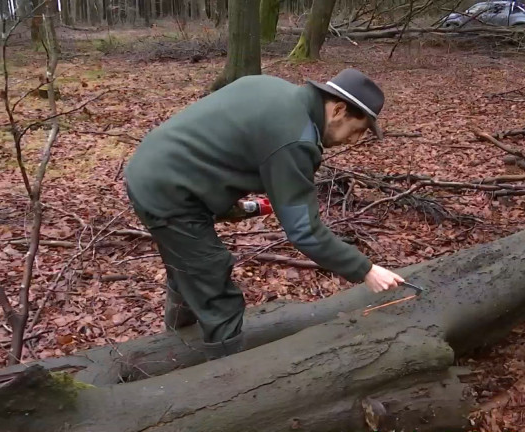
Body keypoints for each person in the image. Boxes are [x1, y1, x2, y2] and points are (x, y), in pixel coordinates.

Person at [123, 68, 405, 360]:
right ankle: (228, 379)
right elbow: (305, 232)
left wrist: (235, 207)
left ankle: (175, 351)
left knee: (188, 269)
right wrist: (366, 270)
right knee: (214, 286)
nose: (354, 141)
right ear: (339, 109)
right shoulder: (296, 139)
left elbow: (219, 147)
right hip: (168, 191)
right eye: (358, 130)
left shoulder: (272, 89)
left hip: (154, 168)